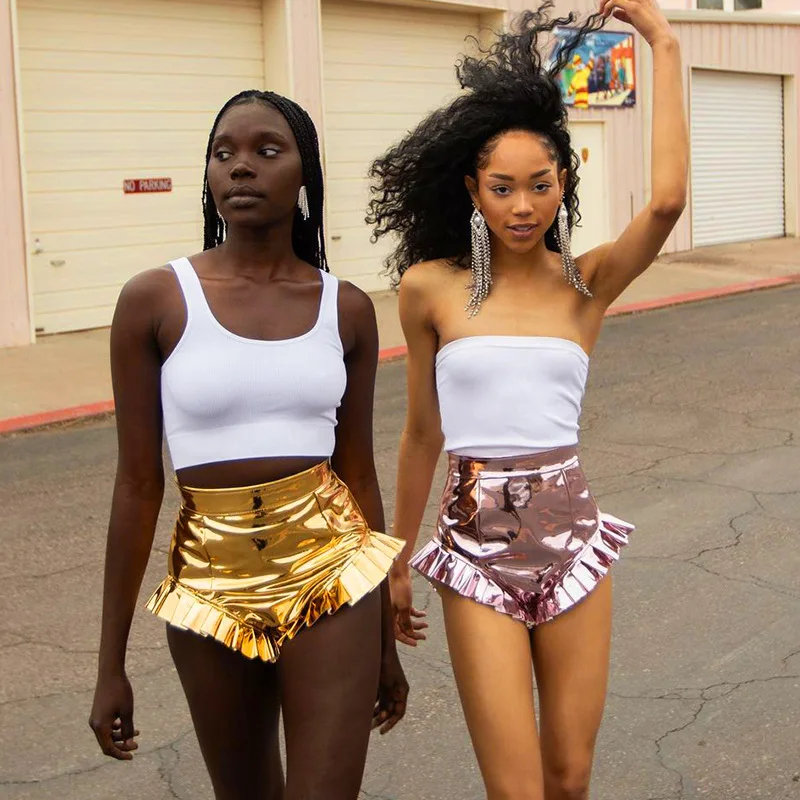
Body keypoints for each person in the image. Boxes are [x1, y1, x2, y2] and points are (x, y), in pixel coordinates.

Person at [368, 0, 687, 797]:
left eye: (540, 186)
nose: (522, 207)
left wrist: (663, 41)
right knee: (516, 791)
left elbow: (666, 204)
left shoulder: (588, 283)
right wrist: (396, 561)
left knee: (569, 779)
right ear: (472, 190)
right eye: (502, 188)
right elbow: (421, 435)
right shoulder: (429, 289)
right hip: (473, 547)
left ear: (563, 183)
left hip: (571, 539)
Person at [88, 89, 410, 800]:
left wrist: (384, 642)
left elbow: (358, 473)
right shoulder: (154, 300)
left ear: (305, 175)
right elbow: (136, 485)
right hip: (210, 581)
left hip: (330, 570)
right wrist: (110, 665)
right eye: (223, 153)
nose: (240, 167)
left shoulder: (345, 308)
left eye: (267, 151)